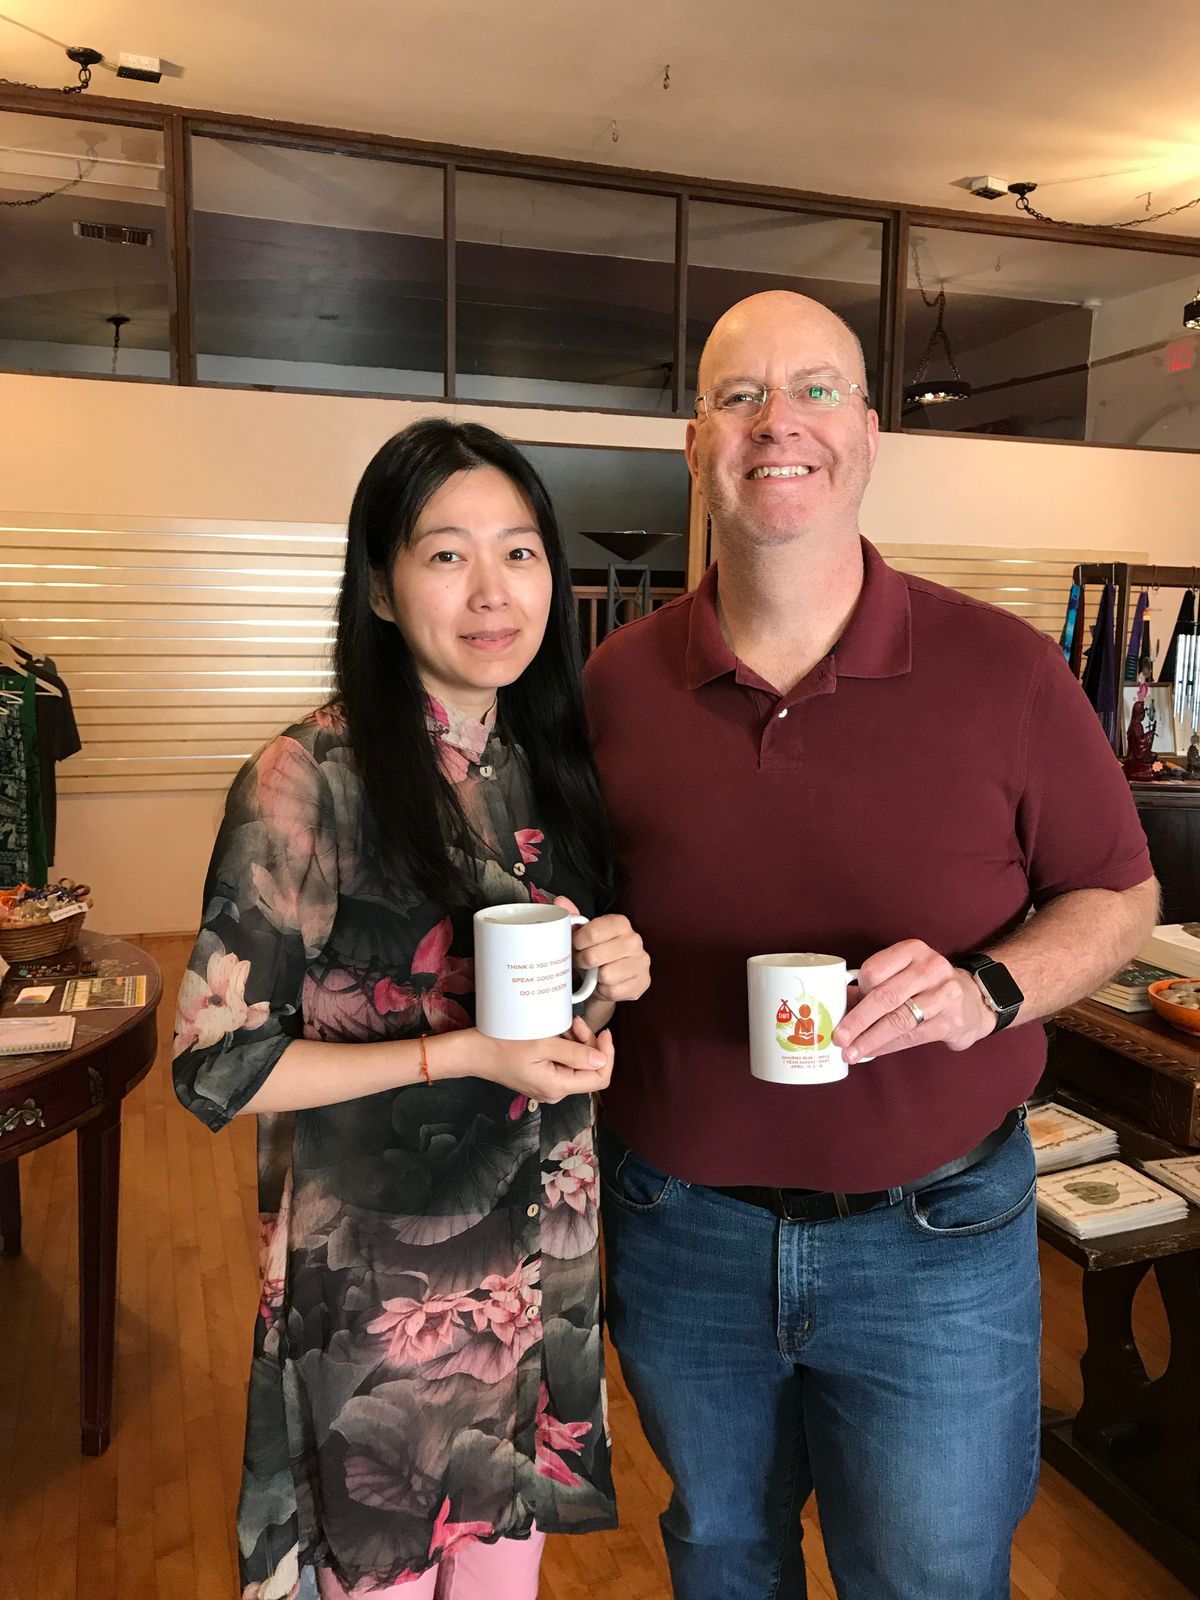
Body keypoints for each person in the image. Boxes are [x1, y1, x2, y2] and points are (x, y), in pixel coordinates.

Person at [585, 291, 1158, 1600]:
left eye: (816, 390)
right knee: (722, 1559)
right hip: (681, 1229)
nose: (778, 422)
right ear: (695, 444)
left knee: (929, 1579)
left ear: (869, 432)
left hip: (937, 1239)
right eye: (740, 395)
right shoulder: (613, 687)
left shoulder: (1007, 671)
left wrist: (988, 988)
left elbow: (1117, 894)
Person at [173, 419, 651, 1600]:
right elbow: (218, 1063)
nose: (493, 590)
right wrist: (464, 1053)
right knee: (378, 1563)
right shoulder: (308, 777)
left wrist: (605, 986)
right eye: (447, 554)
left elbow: (557, 1030)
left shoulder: (550, 767)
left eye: (520, 551)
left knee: (500, 1578)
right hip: (387, 1301)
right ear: (381, 589)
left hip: (536, 1280)